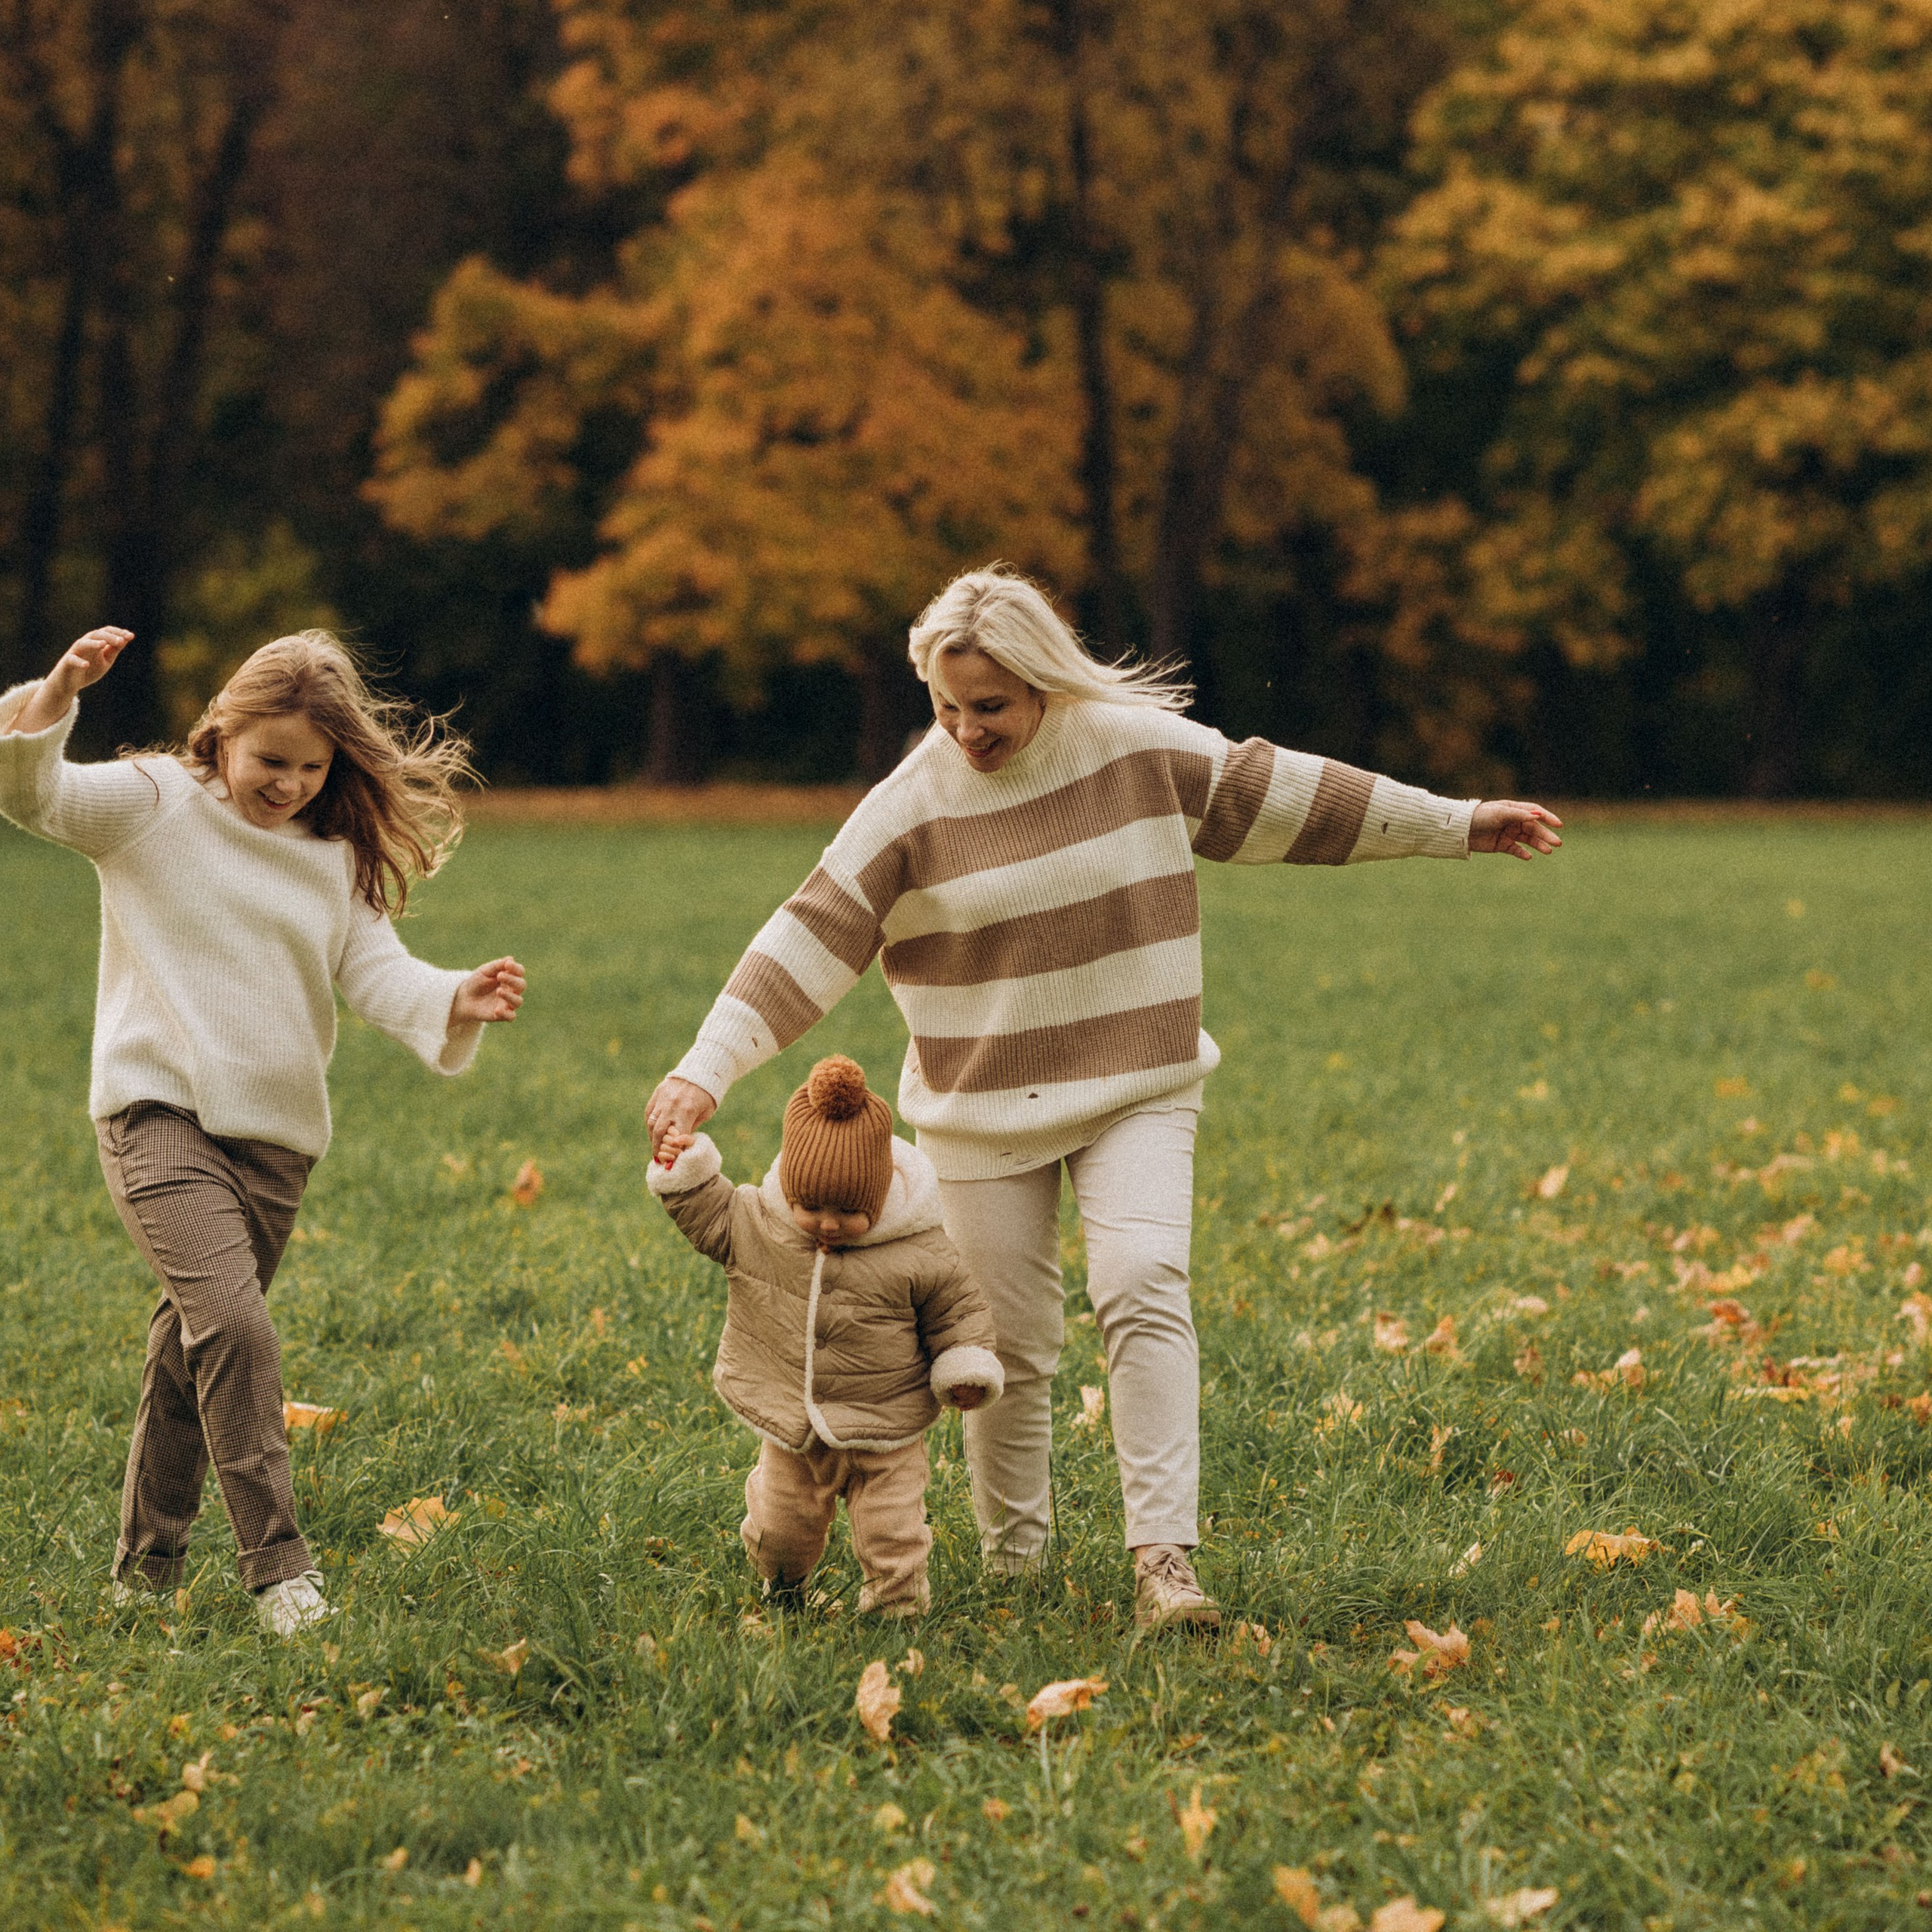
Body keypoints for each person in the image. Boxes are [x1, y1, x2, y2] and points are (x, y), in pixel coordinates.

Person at [648, 567, 1561, 1631]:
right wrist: (699, 1072)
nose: (967, 730)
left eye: (990, 706)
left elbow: (1290, 795)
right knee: (1005, 1346)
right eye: (946, 708)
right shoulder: (911, 804)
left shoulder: (1133, 749)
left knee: (1143, 1278)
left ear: (1044, 683)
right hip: (979, 1110)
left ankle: (1164, 1562)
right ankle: (1015, 1568)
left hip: (1141, 1080)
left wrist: (1457, 823)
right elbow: (806, 937)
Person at [0, 626, 525, 1636]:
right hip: (157, 1114)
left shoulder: (330, 859)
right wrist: (61, 688)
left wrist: (455, 997)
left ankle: (144, 1572)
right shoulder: (154, 803)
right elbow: (31, 796)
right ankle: (279, 1571)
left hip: (276, 1146)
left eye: (309, 767)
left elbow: (374, 972)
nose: (285, 783)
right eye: (268, 761)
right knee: (236, 1331)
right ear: (221, 734)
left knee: (189, 1350)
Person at [651, 1054, 1003, 1617]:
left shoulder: (918, 1247)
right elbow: (711, 1214)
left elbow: (958, 1309)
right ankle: (784, 1591)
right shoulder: (765, 1225)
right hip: (795, 1425)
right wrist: (686, 1169)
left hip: (886, 1428)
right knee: (781, 1528)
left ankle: (897, 1610)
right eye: (811, 1206)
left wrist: (963, 1365)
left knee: (893, 1532)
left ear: (881, 1194)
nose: (827, 1222)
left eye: (848, 1210)